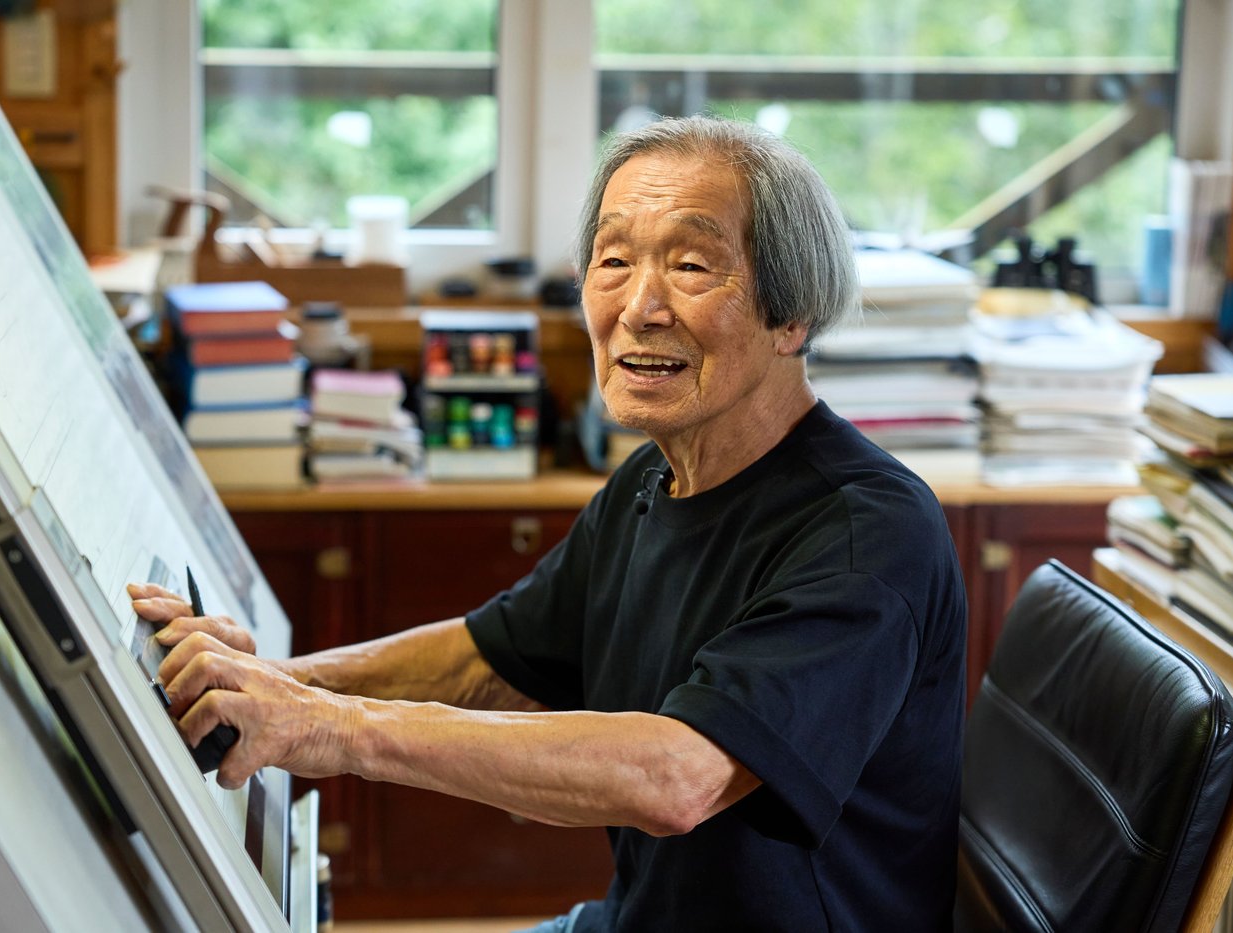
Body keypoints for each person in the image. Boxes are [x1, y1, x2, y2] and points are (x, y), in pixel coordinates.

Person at [131, 114, 967, 931]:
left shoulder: (865, 532)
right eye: (612, 259)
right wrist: (280, 684)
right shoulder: (654, 476)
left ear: (793, 317)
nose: (640, 305)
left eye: (690, 264)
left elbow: (680, 777)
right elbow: (494, 656)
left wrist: (332, 726)